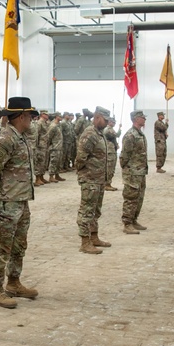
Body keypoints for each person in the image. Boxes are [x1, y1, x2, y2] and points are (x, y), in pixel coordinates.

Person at [0, 96, 39, 309]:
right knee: (0, 247)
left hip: (21, 200)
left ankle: (14, 282)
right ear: (22, 116)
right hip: (5, 203)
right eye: (29, 116)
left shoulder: (21, 136)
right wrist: (0, 196)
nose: (32, 120)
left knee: (18, 245)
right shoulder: (6, 138)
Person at [75, 106, 112, 254]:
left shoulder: (99, 134)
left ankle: (94, 237)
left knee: (95, 211)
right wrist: (85, 174)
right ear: (97, 118)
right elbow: (80, 158)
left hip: (98, 179)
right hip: (90, 179)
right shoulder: (90, 133)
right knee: (86, 211)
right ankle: (85, 242)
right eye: (105, 119)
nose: (107, 122)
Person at [120, 110, 148, 235]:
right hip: (132, 172)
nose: (144, 119)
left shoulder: (139, 134)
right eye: (142, 117)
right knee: (130, 198)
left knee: (139, 198)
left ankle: (134, 220)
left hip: (140, 172)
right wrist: (127, 169)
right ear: (136, 119)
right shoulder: (130, 135)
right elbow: (124, 155)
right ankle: (127, 223)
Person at [46, 112, 65, 183]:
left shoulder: (59, 125)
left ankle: (57, 175)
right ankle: (51, 176)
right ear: (56, 116)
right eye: (60, 116)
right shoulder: (53, 126)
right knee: (53, 161)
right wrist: (51, 145)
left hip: (60, 146)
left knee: (58, 162)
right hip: (55, 147)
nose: (61, 117)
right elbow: (49, 137)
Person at [33, 110, 50, 186]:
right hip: (40, 145)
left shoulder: (45, 123)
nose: (47, 116)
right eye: (46, 114)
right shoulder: (39, 123)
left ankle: (41, 177)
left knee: (44, 162)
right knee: (39, 161)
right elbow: (37, 134)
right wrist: (36, 145)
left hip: (45, 145)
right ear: (42, 114)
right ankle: (37, 178)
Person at [103, 118, 120, 192]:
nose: (114, 123)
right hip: (109, 151)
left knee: (112, 168)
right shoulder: (107, 129)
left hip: (112, 150)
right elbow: (115, 136)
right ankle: (106, 184)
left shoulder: (111, 129)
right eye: (113, 122)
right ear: (109, 122)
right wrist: (119, 130)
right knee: (109, 168)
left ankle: (108, 183)